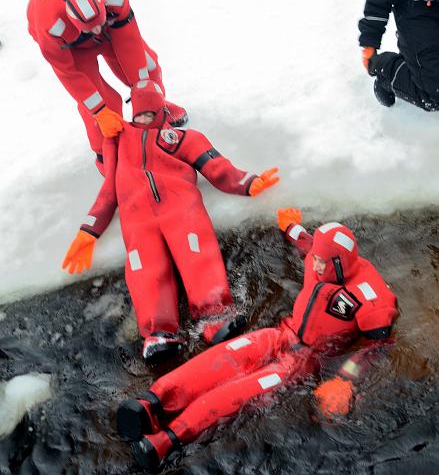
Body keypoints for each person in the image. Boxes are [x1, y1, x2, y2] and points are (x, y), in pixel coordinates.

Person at [116, 212, 398, 472]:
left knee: (245, 388)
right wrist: (290, 225)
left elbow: (380, 347)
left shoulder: (373, 300)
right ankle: (153, 402)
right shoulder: (319, 257)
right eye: (316, 259)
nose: (315, 264)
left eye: (323, 261)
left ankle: (168, 439)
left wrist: (345, 380)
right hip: (283, 334)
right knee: (229, 354)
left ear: (339, 263)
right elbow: (308, 244)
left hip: (305, 360)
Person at [62, 80, 279, 361]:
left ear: (161, 111)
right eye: (138, 114)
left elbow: (216, 166)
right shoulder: (118, 140)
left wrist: (247, 183)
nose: (142, 119)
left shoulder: (183, 139)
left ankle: (215, 314)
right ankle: (159, 333)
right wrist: (89, 231)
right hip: (137, 219)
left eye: (149, 114)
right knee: (146, 270)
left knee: (198, 254)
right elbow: (108, 193)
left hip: (182, 209)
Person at [27, 0, 187, 173]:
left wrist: (144, 91)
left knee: (148, 68)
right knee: (104, 103)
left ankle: (157, 111)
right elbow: (68, 73)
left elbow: (130, 44)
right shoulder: (50, 28)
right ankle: (106, 153)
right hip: (72, 45)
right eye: (90, 28)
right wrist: (99, 112)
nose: (95, 31)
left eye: (97, 24)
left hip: (111, 29)